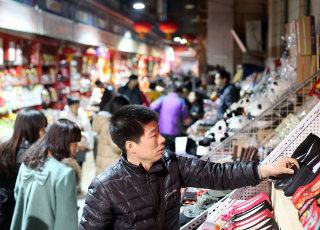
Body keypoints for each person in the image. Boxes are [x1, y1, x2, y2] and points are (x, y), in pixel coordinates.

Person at [79, 105, 298, 229]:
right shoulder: (105, 187)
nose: (162, 140)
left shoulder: (170, 163)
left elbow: (217, 175)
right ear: (131, 147)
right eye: (154, 136)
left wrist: (264, 169)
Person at [10, 119, 81, 230]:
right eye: (74, 144)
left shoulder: (26, 164)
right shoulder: (65, 174)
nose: (77, 148)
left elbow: (17, 195)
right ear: (63, 142)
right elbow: (66, 221)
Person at [0, 109, 47, 230]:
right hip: (25, 213)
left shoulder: (4, 149)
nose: (45, 133)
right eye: (42, 129)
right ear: (32, 130)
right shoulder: (34, 156)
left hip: (5, 211)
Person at [93, 95, 130, 175]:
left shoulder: (103, 120)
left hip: (103, 164)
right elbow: (116, 147)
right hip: (111, 167)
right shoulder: (112, 124)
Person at [150, 83, 190, 151]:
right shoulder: (180, 100)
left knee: (163, 150)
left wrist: (158, 115)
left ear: (169, 91)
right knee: (173, 151)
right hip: (176, 131)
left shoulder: (163, 98)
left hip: (162, 129)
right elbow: (185, 117)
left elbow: (152, 106)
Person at [60, 96, 94, 167]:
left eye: (77, 105)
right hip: (69, 146)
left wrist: (89, 144)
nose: (76, 107)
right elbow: (63, 133)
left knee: (80, 165)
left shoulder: (82, 113)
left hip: (81, 145)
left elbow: (88, 129)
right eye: (75, 106)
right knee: (70, 166)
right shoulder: (64, 115)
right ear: (69, 106)